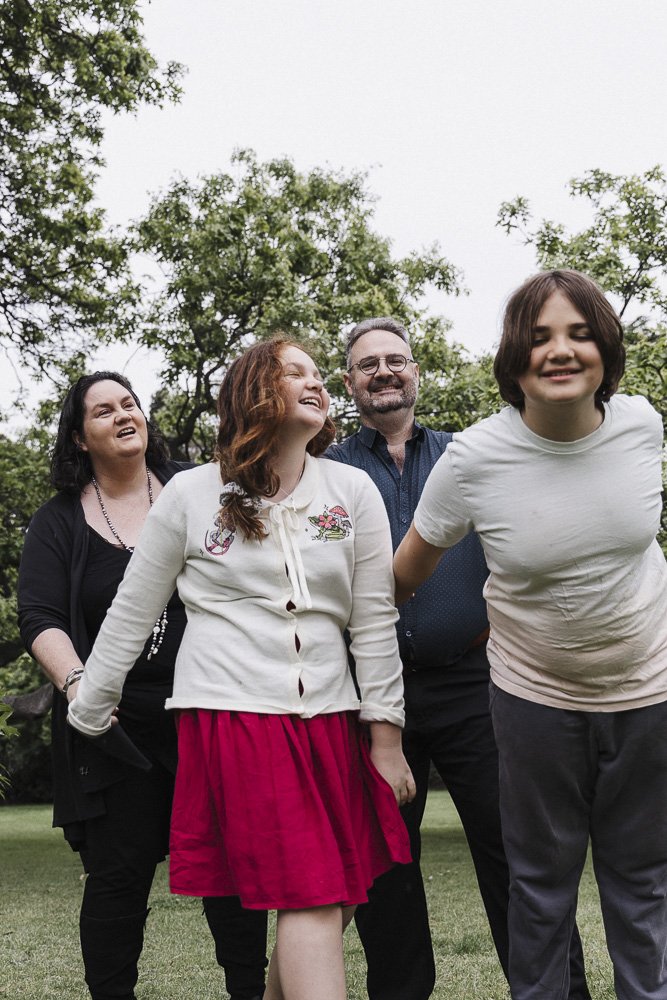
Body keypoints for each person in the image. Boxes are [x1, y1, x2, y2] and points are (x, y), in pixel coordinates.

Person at [67, 339, 414, 1000]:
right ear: (253, 392)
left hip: (331, 719)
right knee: (312, 900)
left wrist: (386, 737)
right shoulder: (193, 494)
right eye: (294, 373)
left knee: (336, 896)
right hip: (237, 717)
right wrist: (90, 703)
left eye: (318, 374)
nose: (315, 383)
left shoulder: (352, 489)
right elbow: (132, 610)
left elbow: (373, 618)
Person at [394, 270, 667, 1000]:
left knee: (642, 882)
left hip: (648, 692)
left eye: (579, 333)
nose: (560, 350)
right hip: (533, 700)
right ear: (514, 357)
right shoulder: (475, 458)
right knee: (540, 889)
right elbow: (404, 573)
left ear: (605, 349)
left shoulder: (642, 424)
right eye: (540, 336)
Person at [326, 316, 590, 1000]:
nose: (383, 372)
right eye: (366, 365)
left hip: (478, 684)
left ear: (416, 373)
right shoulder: (324, 474)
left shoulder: (469, 457)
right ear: (348, 383)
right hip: (368, 695)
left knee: (518, 854)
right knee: (385, 867)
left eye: (395, 360)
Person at [17, 371, 268, 1000]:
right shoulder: (57, 523)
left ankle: (250, 990)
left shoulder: (199, 488)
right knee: (117, 879)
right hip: (114, 729)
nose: (123, 415)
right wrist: (80, 686)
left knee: (230, 873)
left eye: (130, 404)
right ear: (78, 438)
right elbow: (40, 617)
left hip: (210, 712)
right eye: (103, 411)